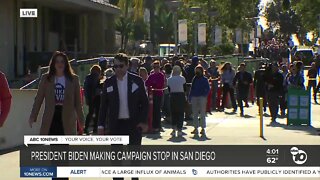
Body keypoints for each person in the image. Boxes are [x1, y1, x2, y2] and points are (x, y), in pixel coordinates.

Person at [29, 51, 84, 180]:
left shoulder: (73, 79)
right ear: (53, 64)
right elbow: (39, 99)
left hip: (67, 119)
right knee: (54, 153)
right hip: (52, 119)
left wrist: (82, 121)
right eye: (57, 62)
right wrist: (33, 116)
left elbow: (78, 102)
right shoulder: (46, 78)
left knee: (64, 154)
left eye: (62, 62)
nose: (59, 64)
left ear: (66, 64)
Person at [98, 53, 148, 180]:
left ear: (127, 66)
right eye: (115, 67)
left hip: (134, 124)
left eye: (120, 66)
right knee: (116, 161)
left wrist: (143, 121)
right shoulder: (108, 83)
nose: (118, 69)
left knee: (134, 160)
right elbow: (103, 106)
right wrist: (100, 125)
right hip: (116, 126)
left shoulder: (137, 81)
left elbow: (145, 103)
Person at [189, 65, 210, 136]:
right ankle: (195, 128)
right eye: (196, 70)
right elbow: (192, 88)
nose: (197, 72)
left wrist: (204, 94)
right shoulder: (194, 79)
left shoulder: (204, 79)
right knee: (195, 113)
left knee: (202, 113)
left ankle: (203, 128)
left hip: (202, 97)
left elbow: (208, 88)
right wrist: (190, 97)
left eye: (198, 70)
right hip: (194, 96)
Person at [145, 60, 166, 133]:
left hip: (158, 94)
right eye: (154, 67)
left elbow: (160, 84)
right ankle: (152, 125)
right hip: (152, 95)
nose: (156, 68)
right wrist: (152, 84)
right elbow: (147, 83)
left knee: (157, 110)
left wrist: (153, 84)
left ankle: (158, 126)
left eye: (157, 67)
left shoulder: (161, 75)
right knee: (152, 110)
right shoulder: (151, 75)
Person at [167, 65, 186, 137]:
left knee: (173, 112)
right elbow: (184, 89)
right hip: (181, 95)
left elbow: (169, 89)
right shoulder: (182, 78)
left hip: (172, 96)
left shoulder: (169, 79)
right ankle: (180, 129)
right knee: (181, 113)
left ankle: (174, 129)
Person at [83, 65, 102, 134]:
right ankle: (95, 128)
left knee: (90, 113)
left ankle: (86, 127)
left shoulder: (88, 77)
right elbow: (98, 87)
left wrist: (87, 99)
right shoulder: (98, 77)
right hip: (97, 97)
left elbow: (86, 88)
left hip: (90, 98)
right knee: (97, 113)